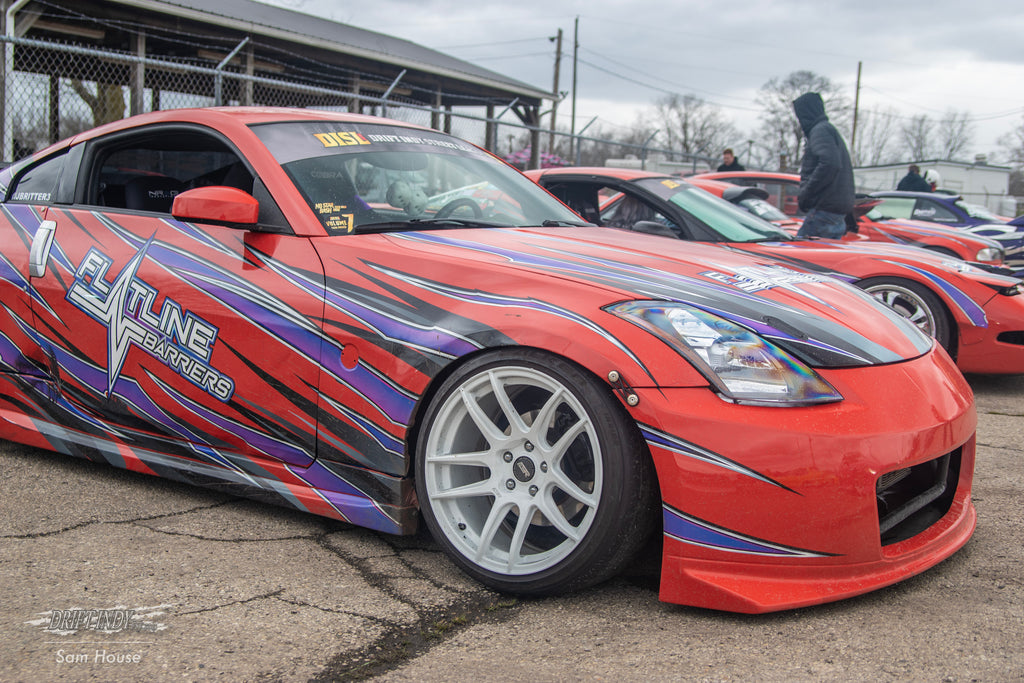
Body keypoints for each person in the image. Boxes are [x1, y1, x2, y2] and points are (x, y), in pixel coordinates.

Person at [792, 92, 854, 239]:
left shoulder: (820, 131)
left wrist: (807, 194)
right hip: (834, 211)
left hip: (823, 210)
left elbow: (830, 164)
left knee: (799, 258)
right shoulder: (828, 130)